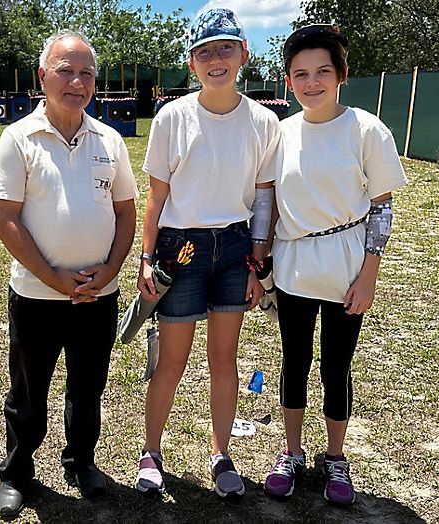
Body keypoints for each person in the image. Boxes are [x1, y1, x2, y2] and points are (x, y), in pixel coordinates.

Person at [134, 8, 283, 498]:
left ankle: (221, 455)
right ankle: (151, 452)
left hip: (236, 248)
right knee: (172, 360)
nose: (215, 59)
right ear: (191, 62)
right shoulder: (172, 117)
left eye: (225, 48)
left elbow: (263, 198)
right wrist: (146, 259)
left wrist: (258, 263)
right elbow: (156, 197)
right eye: (203, 51)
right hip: (181, 249)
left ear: (244, 53)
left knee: (224, 359)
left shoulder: (263, 121)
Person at [0, 30, 137, 518]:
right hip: (37, 295)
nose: (77, 82)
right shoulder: (18, 139)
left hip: (98, 296)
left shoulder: (110, 140)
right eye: (65, 71)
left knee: (88, 387)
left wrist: (110, 271)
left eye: (86, 73)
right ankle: (16, 473)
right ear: (43, 76)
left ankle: (81, 462)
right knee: (28, 392)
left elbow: (126, 213)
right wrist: (54, 278)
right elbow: (5, 219)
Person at [261, 25, 408, 505]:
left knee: (336, 366)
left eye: (323, 71)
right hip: (294, 269)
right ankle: (292, 452)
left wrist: (369, 275)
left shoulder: (366, 130)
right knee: (294, 361)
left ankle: (336, 458)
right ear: (288, 81)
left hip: (347, 272)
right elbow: (270, 203)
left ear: (341, 74)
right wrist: (261, 263)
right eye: (301, 74)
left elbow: (382, 207)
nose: (312, 83)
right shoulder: (281, 134)